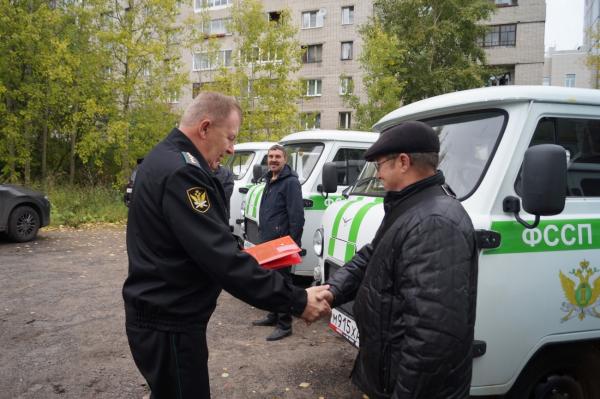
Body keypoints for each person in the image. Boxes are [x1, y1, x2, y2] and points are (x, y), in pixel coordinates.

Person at [122, 91, 330, 399]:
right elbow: (222, 259)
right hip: (170, 325)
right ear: (205, 128)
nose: (232, 148)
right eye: (230, 137)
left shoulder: (163, 158)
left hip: (162, 318)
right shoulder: (185, 172)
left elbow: (197, 246)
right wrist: (297, 299)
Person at [319, 121, 478, 399]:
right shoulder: (409, 206)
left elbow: (431, 336)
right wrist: (332, 291)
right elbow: (373, 254)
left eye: (379, 164)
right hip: (388, 374)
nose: (377, 174)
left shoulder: (435, 222)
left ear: (403, 162)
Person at [251, 145, 305, 341]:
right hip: (268, 240)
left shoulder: (290, 182)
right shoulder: (270, 179)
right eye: (270, 156)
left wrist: (292, 243)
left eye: (277, 157)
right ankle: (274, 315)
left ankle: (285, 323)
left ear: (285, 160)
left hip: (282, 243)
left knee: (282, 282)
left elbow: (297, 216)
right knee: (270, 280)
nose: (273, 160)